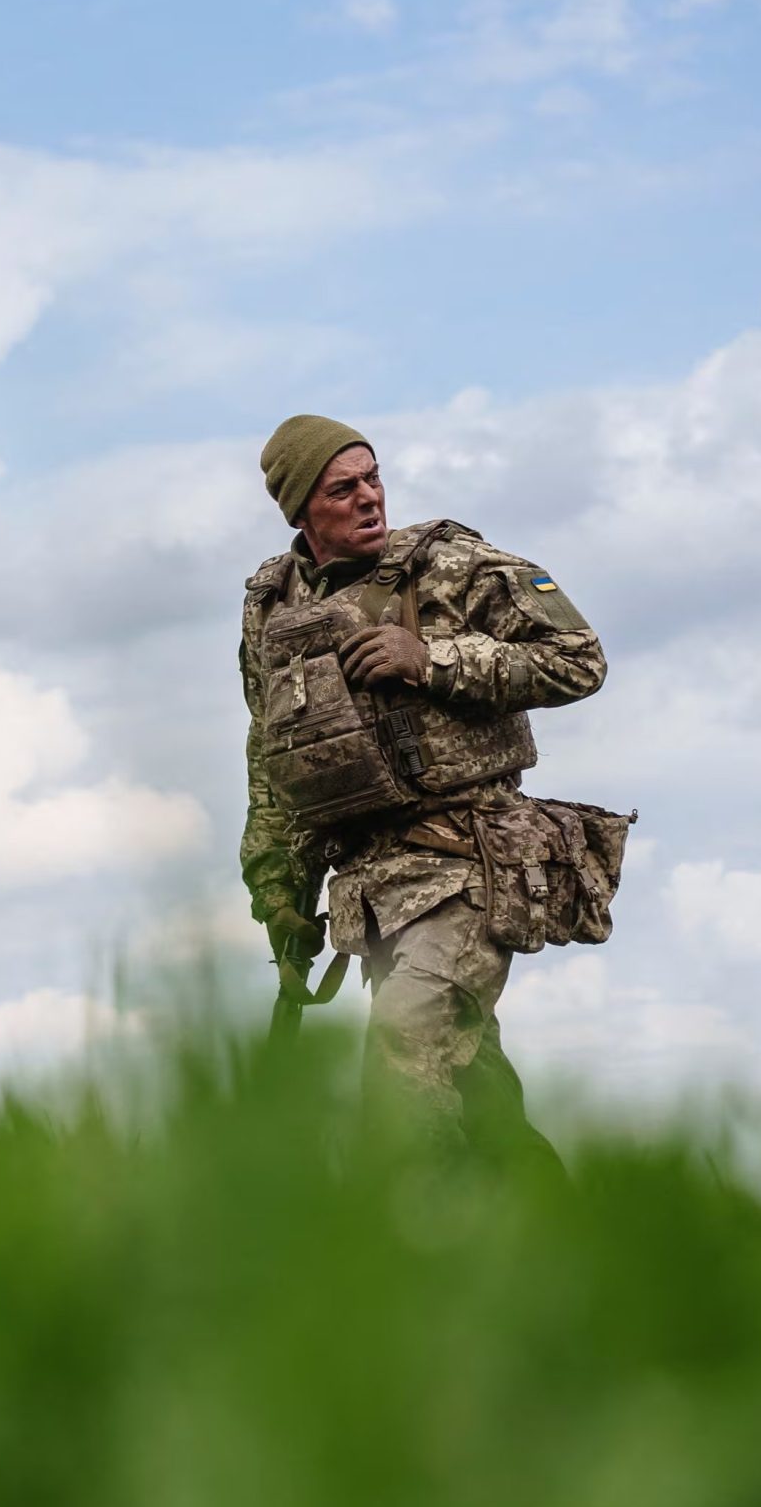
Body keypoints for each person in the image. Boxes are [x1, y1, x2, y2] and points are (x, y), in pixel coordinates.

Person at [238, 415, 619, 1174]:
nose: (369, 498)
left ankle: (413, 1261)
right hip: (372, 893)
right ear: (301, 510)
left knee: (402, 1062)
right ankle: (569, 1246)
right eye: (343, 489)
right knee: (479, 1110)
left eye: (373, 477)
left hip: (471, 868)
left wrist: (433, 659)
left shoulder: (452, 564)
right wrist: (276, 889)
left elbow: (580, 661)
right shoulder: (270, 604)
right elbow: (271, 753)